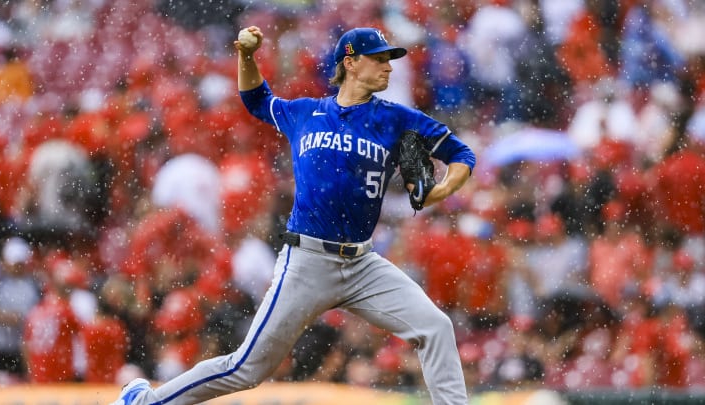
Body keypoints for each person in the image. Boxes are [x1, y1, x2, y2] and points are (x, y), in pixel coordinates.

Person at [111, 26, 476, 405]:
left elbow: (462, 155)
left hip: (363, 264)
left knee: (435, 327)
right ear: (349, 63)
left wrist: (442, 190)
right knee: (247, 368)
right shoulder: (307, 112)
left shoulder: (397, 119)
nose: (388, 67)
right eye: (379, 58)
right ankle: (145, 401)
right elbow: (256, 99)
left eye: (389, 59)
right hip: (308, 261)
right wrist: (247, 57)